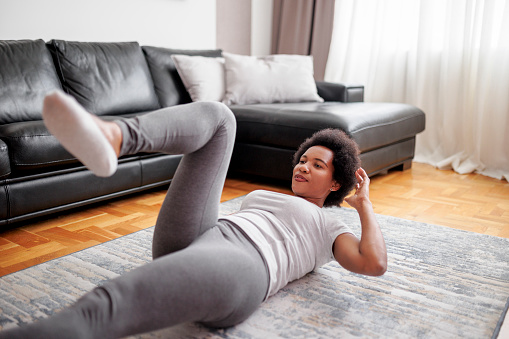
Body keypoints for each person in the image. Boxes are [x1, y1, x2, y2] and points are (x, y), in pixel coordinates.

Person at [0, 90, 387, 339]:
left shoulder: (329, 226)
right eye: (302, 160)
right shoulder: (261, 195)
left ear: (336, 183)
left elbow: (373, 263)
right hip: (203, 238)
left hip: (243, 265)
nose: (302, 167)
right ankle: (116, 136)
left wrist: (365, 205)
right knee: (221, 118)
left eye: (317, 165)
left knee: (106, 305)